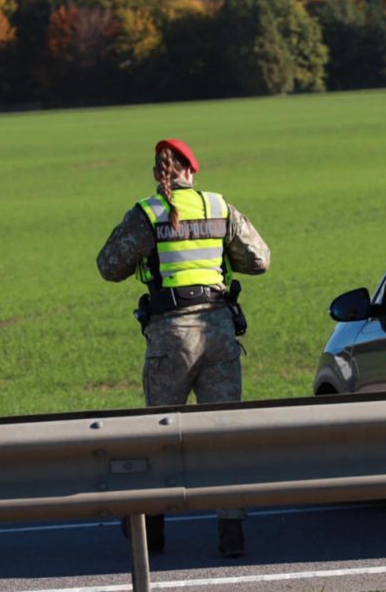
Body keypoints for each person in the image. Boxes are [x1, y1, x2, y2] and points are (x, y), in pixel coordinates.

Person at [97, 138, 270, 557]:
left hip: (169, 336)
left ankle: (152, 535)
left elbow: (109, 266)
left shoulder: (146, 214)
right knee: (223, 436)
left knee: (160, 435)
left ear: (158, 173)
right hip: (219, 332)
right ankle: (232, 536)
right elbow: (259, 259)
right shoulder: (218, 207)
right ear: (191, 171)